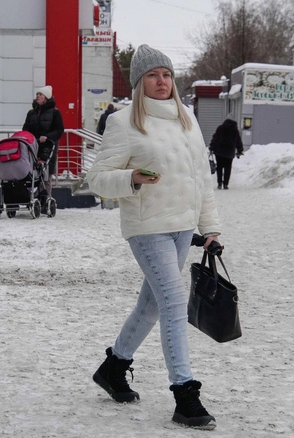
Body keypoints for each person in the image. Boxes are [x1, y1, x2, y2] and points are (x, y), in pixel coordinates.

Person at [87, 44, 221, 430]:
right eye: (152, 75)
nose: (161, 82)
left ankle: (113, 368)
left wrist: (210, 228)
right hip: (147, 227)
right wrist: (130, 178)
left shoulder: (188, 119)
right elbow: (96, 179)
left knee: (152, 306)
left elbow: (202, 180)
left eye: (166, 74)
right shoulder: (123, 121)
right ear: (138, 82)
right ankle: (185, 395)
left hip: (182, 226)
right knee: (175, 302)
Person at [22, 85, 64, 199]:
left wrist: (47, 137)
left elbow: (59, 130)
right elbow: (25, 128)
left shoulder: (55, 113)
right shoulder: (31, 113)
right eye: (37, 94)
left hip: (47, 147)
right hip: (32, 146)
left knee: (45, 174)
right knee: (31, 174)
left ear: (46, 97)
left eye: (40, 94)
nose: (37, 96)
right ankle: (30, 198)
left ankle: (45, 199)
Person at [209, 117, 243, 189]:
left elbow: (215, 138)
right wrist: (240, 150)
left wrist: (211, 148)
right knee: (228, 168)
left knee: (219, 168)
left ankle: (219, 183)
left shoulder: (220, 128)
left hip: (219, 152)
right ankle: (225, 184)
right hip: (229, 152)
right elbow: (238, 141)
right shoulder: (235, 130)